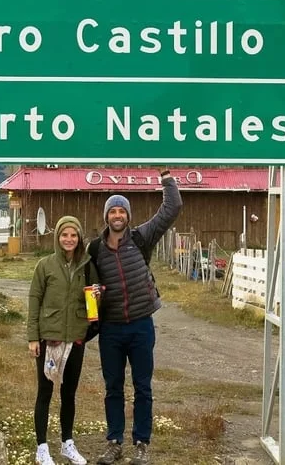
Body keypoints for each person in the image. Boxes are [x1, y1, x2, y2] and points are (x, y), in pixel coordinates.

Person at [91, 168, 182, 465]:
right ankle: (114, 443)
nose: (117, 215)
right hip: (111, 329)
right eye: (113, 211)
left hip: (142, 325)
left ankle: (141, 444)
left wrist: (165, 176)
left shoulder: (142, 237)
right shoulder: (95, 249)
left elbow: (172, 208)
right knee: (113, 388)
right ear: (107, 216)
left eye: (122, 211)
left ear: (128, 216)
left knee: (143, 387)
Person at [27, 215, 101, 465]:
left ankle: (67, 443)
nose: (69, 239)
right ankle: (41, 448)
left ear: (79, 238)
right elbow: (34, 300)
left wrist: (96, 299)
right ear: (57, 237)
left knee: (69, 393)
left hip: (76, 339)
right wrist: (33, 338)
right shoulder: (45, 265)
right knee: (45, 392)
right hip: (49, 338)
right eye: (64, 235)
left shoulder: (87, 266)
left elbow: (94, 302)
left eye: (73, 235)